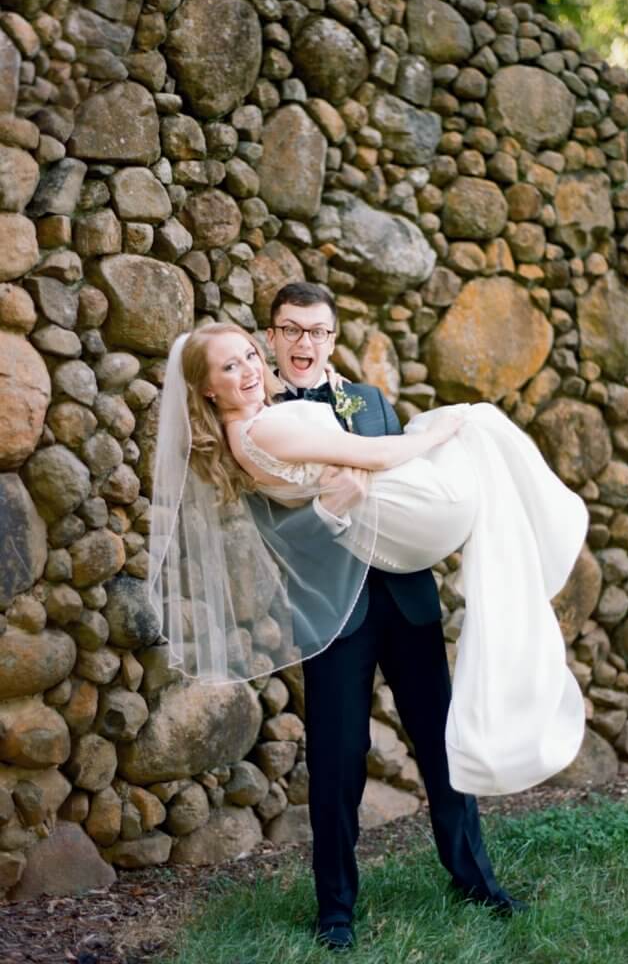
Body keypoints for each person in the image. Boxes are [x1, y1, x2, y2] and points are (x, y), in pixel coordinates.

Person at [148, 282, 588, 952]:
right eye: (291, 330)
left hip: (405, 593)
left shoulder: (370, 400)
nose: (304, 344)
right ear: (272, 336)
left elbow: (407, 485)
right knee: (337, 757)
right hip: (336, 610)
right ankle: (336, 912)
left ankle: (475, 880)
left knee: (441, 740)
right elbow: (275, 533)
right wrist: (328, 510)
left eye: (318, 332)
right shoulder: (259, 418)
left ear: (332, 337)